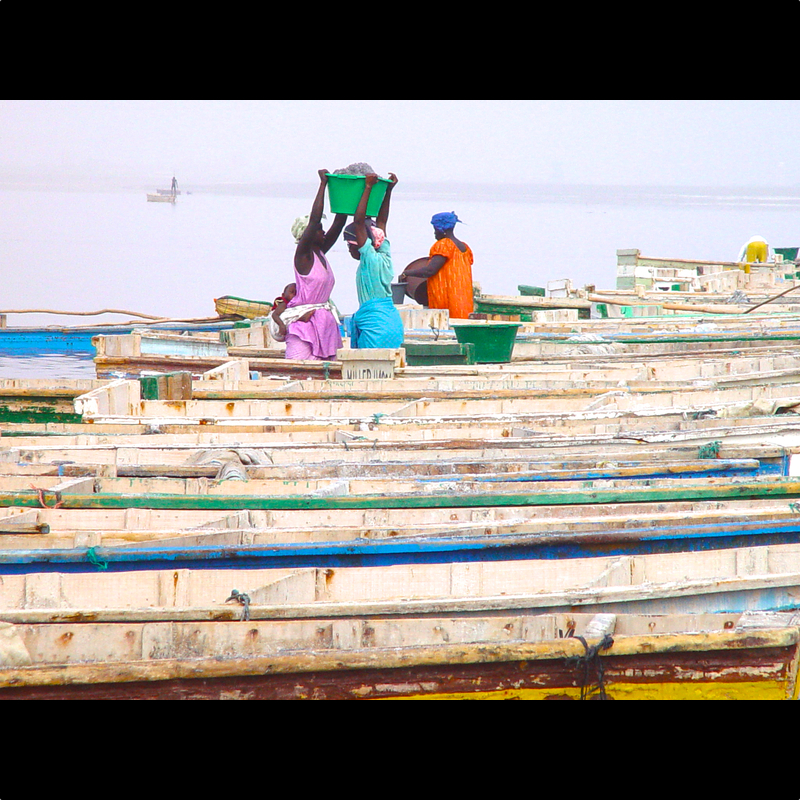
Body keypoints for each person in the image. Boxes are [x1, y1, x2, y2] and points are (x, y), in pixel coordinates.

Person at [286, 170, 347, 360]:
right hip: (305, 325)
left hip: (324, 324)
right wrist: (322, 185)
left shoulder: (320, 253)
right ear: (307, 235)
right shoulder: (303, 257)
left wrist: (344, 190)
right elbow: (314, 220)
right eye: (320, 230)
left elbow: (340, 221)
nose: (323, 233)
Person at [344, 173, 404, 349]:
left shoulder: (369, 257)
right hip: (392, 322)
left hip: (375, 326)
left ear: (359, 245)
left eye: (349, 246)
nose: (349, 250)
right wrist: (388, 190)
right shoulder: (384, 253)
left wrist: (368, 187)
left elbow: (359, 221)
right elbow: (382, 221)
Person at [399, 212, 474, 319]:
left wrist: (407, 273)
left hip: (448, 306)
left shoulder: (444, 245)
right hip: (463, 303)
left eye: (435, 229)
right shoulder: (464, 247)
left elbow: (429, 271)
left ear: (441, 229)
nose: (434, 233)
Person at [269, 283, 340, 344]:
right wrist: (281, 325)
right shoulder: (283, 303)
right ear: (283, 295)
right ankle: (301, 318)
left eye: (297, 293)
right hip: (279, 325)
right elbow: (275, 315)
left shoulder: (298, 305)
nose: (294, 295)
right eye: (292, 292)